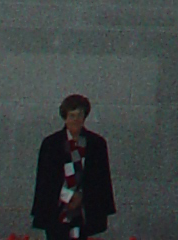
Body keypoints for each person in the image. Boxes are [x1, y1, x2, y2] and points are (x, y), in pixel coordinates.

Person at [31, 93, 116, 240]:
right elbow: (45, 180)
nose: (76, 120)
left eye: (80, 115)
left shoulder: (96, 144)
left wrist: (81, 198)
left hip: (84, 211)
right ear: (65, 117)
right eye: (72, 115)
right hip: (57, 211)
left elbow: (100, 179)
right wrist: (68, 197)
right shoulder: (51, 144)